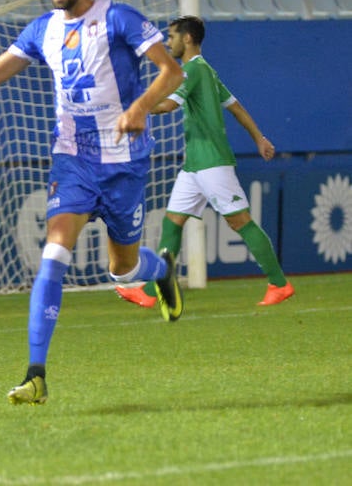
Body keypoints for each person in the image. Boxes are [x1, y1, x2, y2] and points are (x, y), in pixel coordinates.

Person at [0, 0, 186, 406]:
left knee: (123, 269)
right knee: (54, 254)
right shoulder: (42, 29)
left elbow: (170, 71)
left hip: (125, 163)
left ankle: (161, 270)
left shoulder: (118, 18)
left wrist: (138, 107)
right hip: (72, 160)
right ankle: (36, 374)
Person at [115, 15, 294, 310]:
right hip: (195, 166)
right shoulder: (207, 71)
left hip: (212, 162)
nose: (167, 42)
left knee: (240, 221)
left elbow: (169, 106)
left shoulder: (193, 71)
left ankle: (279, 283)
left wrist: (137, 108)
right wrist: (259, 138)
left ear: (187, 39)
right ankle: (149, 291)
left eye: (171, 36)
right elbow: (237, 109)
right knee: (173, 222)